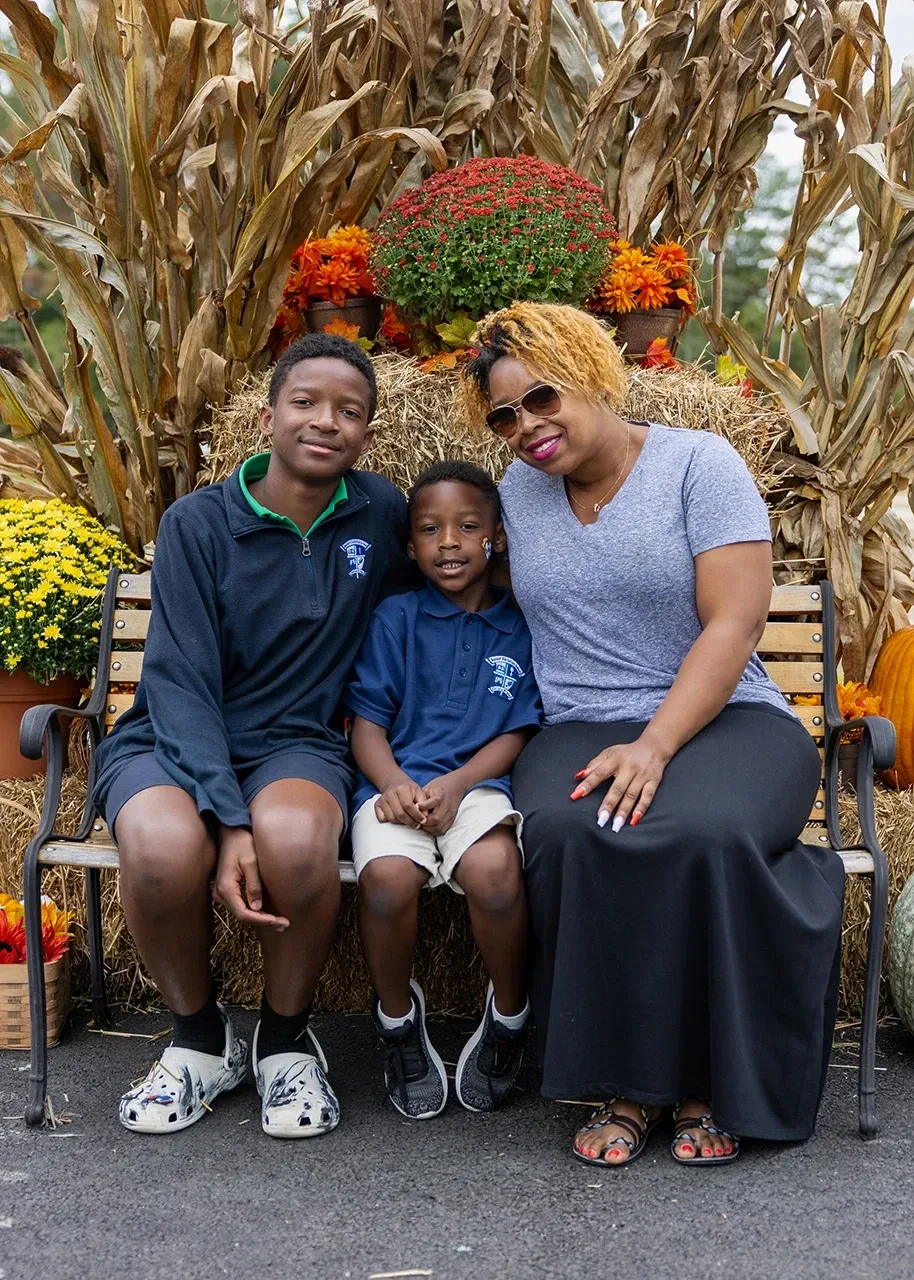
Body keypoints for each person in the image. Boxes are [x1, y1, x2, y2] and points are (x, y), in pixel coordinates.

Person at [459, 302, 845, 1167]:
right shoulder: (515, 493)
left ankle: (708, 1083)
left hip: (730, 717)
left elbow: (735, 623)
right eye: (505, 417)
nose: (527, 427)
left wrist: (656, 744)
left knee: (704, 831)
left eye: (542, 398)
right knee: (572, 832)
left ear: (594, 374)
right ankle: (629, 1085)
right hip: (582, 723)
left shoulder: (698, 465)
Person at [93, 333, 417, 1139]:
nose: (325, 421)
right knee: (164, 848)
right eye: (305, 402)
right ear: (268, 418)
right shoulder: (199, 523)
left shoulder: (381, 513)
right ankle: (202, 1042)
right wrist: (227, 817)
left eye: (349, 411)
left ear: (367, 434)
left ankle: (284, 1042)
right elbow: (180, 681)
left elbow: (430, 612)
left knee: (299, 840)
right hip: (171, 736)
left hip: (297, 739)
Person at [347, 461, 542, 1119]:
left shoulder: (521, 625)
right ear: (410, 546)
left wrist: (459, 785)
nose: (449, 542)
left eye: (467, 527)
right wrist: (393, 784)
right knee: (386, 881)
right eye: (430, 530)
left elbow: (517, 730)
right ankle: (397, 1024)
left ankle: (509, 1017)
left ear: (498, 538)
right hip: (395, 783)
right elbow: (366, 726)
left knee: (495, 871)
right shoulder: (396, 618)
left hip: (478, 785)